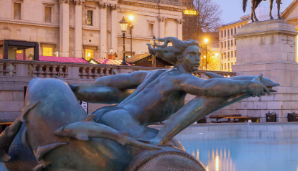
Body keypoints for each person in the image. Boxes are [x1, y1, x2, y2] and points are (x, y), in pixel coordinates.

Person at [70, 37, 276, 144]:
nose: (198, 59)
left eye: (199, 55)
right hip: (124, 123)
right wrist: (248, 85)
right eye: (193, 55)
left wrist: (82, 88)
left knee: (122, 96)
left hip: (106, 114)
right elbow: (208, 87)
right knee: (167, 149)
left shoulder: (153, 75)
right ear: (179, 58)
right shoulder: (181, 80)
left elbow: (114, 81)